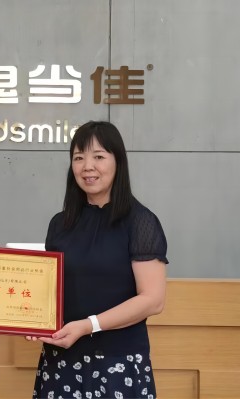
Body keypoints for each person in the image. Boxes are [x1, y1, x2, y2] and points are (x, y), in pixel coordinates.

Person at [30, 121, 168, 399]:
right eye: (78, 158)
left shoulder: (140, 221)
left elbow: (153, 300)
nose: (87, 166)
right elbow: (50, 292)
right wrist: (29, 319)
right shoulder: (60, 224)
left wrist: (88, 325)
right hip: (62, 359)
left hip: (118, 362)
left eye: (99, 157)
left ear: (118, 162)